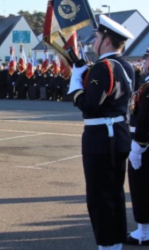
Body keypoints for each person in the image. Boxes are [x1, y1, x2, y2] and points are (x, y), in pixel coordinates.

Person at [68, 15, 134, 250]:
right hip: (117, 133)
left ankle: (107, 245)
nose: (93, 42)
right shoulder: (124, 65)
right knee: (113, 193)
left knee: (99, 197)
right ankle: (114, 242)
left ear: (106, 40)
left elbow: (89, 105)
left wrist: (76, 81)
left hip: (101, 138)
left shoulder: (102, 66)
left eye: (97, 37)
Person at [126, 48, 149, 245]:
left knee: (141, 187)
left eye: (147, 59)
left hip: (144, 145)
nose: (144, 61)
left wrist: (138, 146)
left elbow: (144, 119)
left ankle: (143, 232)